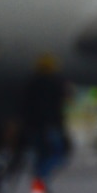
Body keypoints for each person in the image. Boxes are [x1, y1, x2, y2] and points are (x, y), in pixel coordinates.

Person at [20, 54, 71, 182]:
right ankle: (41, 177)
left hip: (34, 125)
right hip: (51, 124)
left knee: (41, 154)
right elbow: (65, 98)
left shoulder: (31, 82)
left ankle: (39, 181)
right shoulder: (56, 82)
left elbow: (25, 104)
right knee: (58, 153)